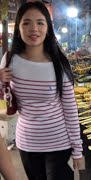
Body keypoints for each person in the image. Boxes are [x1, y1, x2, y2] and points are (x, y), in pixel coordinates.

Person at [0, 2, 83, 180]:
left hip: (58, 142)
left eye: (40, 22)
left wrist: (78, 151)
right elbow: (4, 97)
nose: (33, 29)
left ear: (48, 27)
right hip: (26, 143)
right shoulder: (8, 60)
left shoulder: (59, 63)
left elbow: (70, 110)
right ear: (19, 28)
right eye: (26, 23)